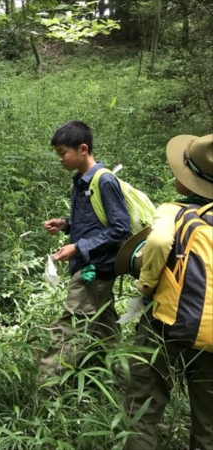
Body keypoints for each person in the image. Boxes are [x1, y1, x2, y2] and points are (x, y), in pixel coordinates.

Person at [117, 133, 213, 450]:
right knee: (208, 422)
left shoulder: (174, 210)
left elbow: (158, 243)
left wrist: (145, 282)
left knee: (143, 405)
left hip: (167, 325)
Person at [40, 120, 131, 378]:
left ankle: (47, 386)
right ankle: (118, 375)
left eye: (62, 153)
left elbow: (120, 228)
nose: (60, 159)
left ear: (82, 149)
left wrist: (78, 248)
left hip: (94, 267)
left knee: (69, 326)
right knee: (104, 324)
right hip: (94, 264)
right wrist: (67, 225)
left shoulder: (103, 181)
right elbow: (95, 222)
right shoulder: (81, 180)